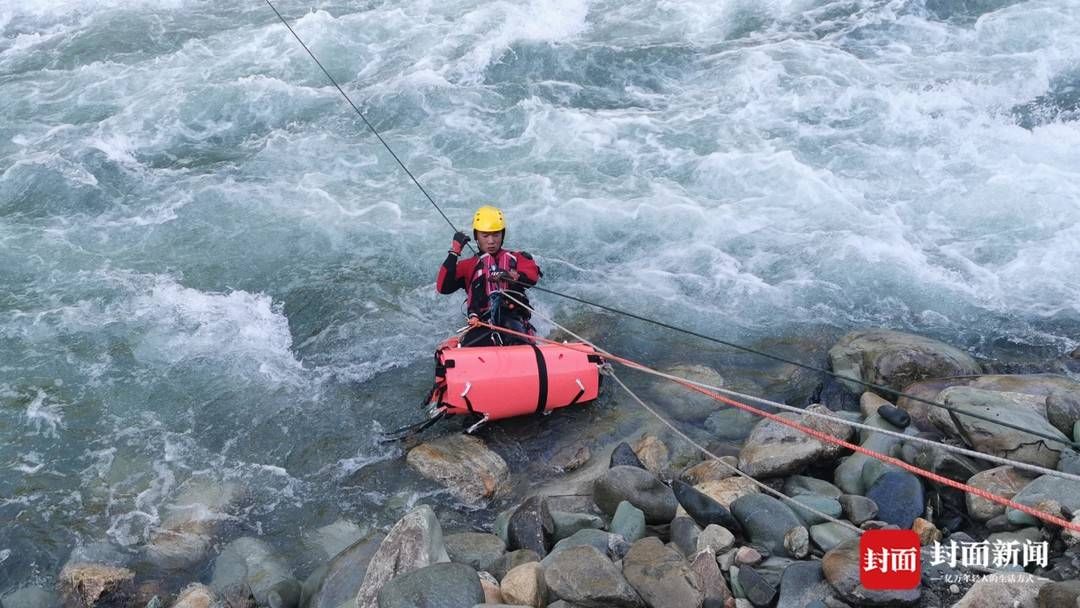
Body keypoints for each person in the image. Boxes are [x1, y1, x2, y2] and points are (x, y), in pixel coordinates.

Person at [436, 205, 542, 346]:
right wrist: (454, 252)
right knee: (472, 342)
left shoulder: (517, 258)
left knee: (511, 331)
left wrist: (510, 276)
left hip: (512, 320)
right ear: (476, 237)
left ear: (502, 235)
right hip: (480, 323)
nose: (491, 241)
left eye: (496, 235)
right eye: (485, 236)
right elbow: (443, 287)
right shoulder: (468, 265)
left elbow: (532, 276)